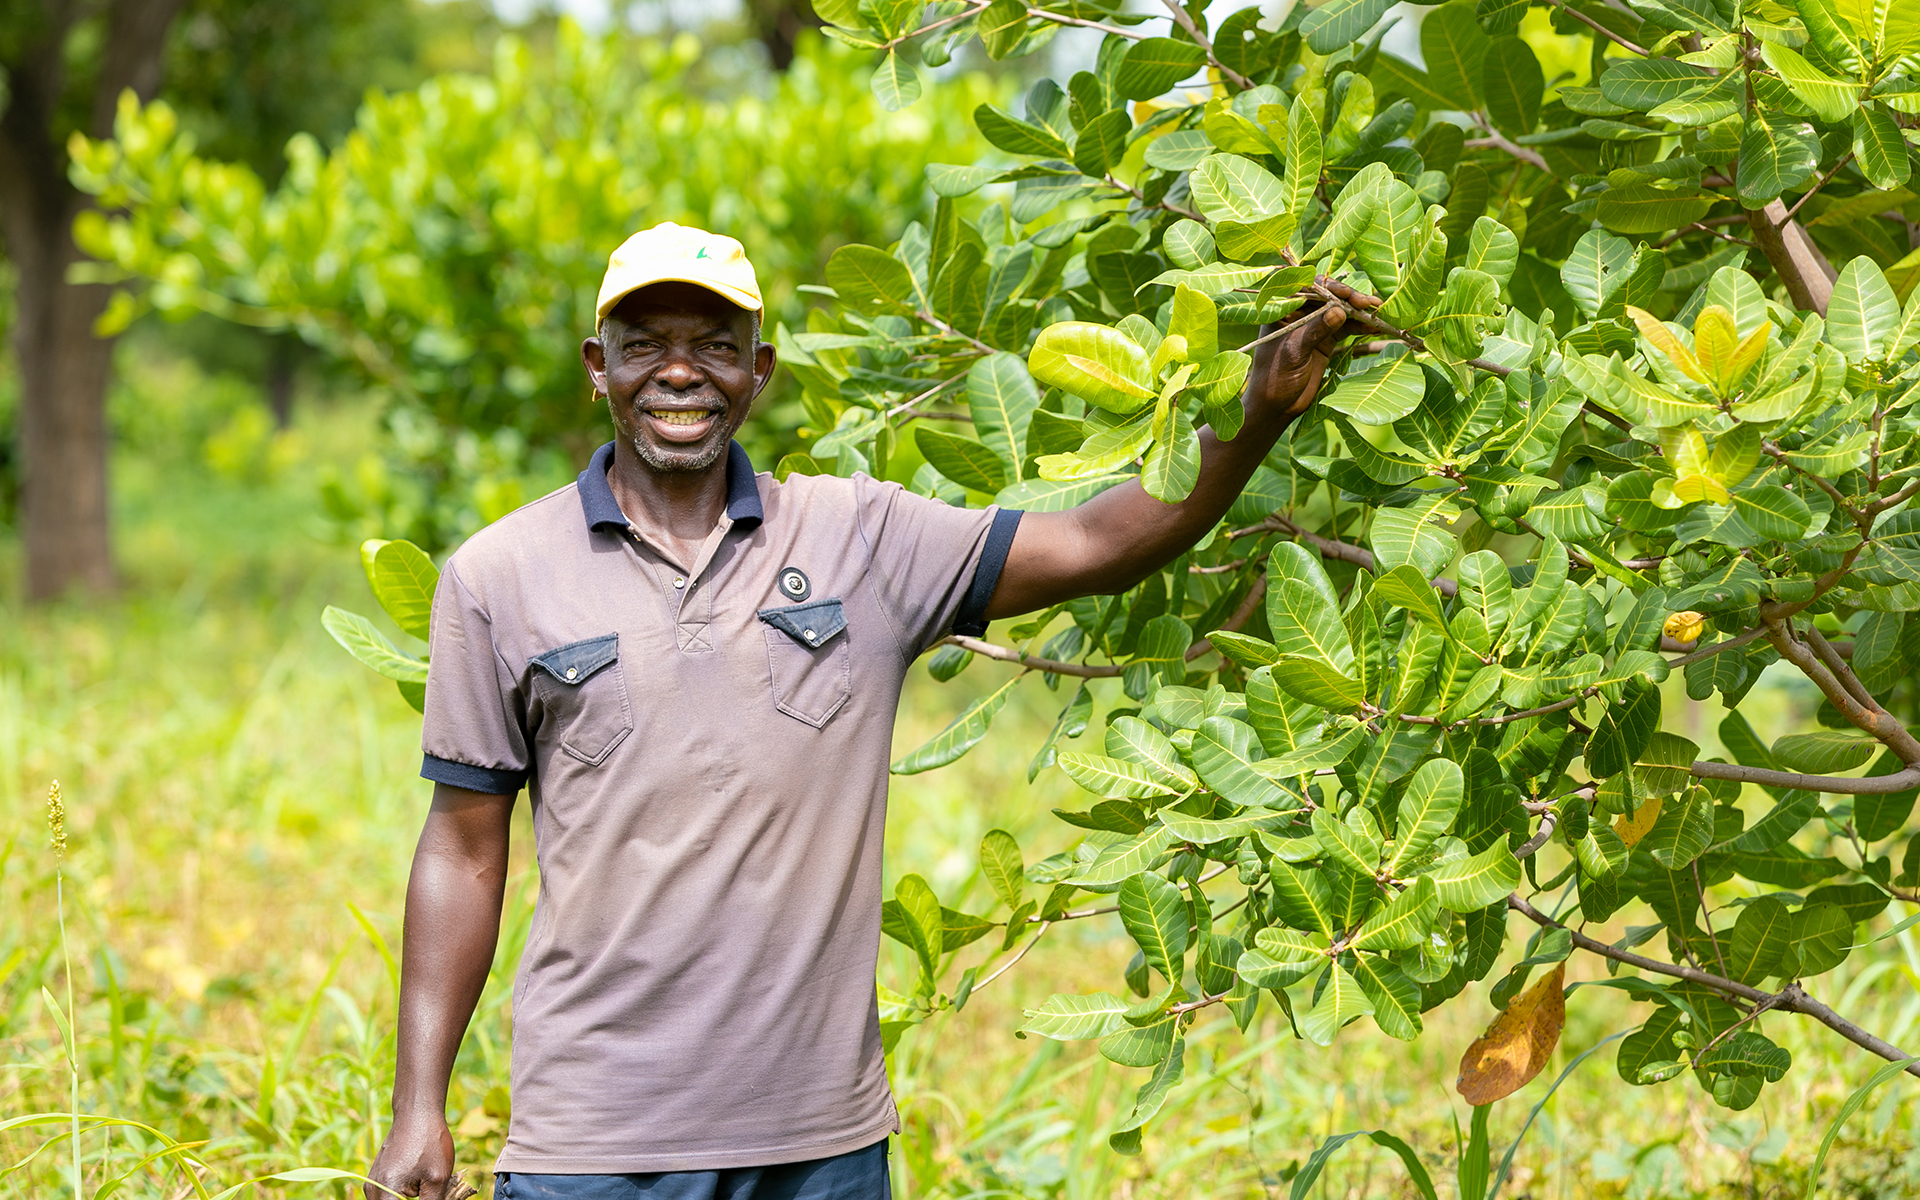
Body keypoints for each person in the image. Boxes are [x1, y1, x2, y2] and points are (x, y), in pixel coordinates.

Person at [365, 222, 1352, 1200]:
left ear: (761, 369)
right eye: (645, 344)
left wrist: (1258, 407)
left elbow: (1101, 542)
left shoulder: (860, 537)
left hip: (820, 1146)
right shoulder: (499, 576)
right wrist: (421, 1106)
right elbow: (462, 850)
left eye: (713, 346)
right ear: (597, 365)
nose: (679, 373)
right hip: (592, 1145)